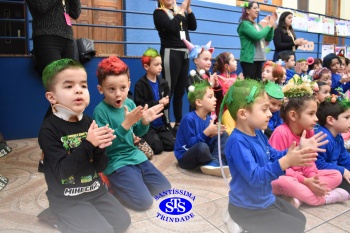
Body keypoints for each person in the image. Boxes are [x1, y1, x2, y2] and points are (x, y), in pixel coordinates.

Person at [221, 79, 327, 233]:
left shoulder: (258, 133)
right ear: (243, 113)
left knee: (301, 220)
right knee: (294, 227)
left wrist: (295, 151)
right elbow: (255, 177)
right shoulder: (237, 143)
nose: (270, 114)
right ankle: (234, 216)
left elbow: (272, 155)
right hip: (247, 207)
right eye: (264, 109)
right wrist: (285, 161)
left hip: (264, 200)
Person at [38, 59, 131, 233]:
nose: (78, 90)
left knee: (122, 222)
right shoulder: (48, 129)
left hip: (95, 191)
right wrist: (89, 143)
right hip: (66, 198)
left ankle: (86, 216)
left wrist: (101, 147)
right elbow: (62, 171)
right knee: (103, 230)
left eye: (83, 85)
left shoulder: (89, 121)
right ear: (52, 97)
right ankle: (58, 218)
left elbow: (100, 166)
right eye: (68, 86)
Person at [93, 56, 171, 211]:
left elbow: (138, 132)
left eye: (123, 88)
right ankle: (113, 186)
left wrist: (144, 122)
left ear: (129, 85)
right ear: (101, 89)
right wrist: (125, 125)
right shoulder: (100, 112)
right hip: (116, 162)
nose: (118, 94)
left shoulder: (129, 103)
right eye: (111, 89)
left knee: (165, 190)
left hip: (136, 156)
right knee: (144, 203)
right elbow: (106, 147)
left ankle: (135, 182)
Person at [269, 77, 348, 207]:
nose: (316, 118)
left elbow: (310, 162)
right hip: (287, 176)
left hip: (303, 177)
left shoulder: (309, 131)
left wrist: (313, 178)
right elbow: (278, 167)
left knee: (336, 175)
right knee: (283, 182)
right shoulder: (281, 133)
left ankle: (299, 198)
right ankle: (326, 198)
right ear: (293, 115)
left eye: (315, 113)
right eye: (311, 114)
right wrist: (305, 181)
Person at [153, 0, 197, 134]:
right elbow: (171, 27)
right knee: (168, 90)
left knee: (180, 91)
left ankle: (178, 122)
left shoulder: (178, 11)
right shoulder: (159, 13)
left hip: (184, 53)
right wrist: (181, 11)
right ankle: (166, 122)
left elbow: (193, 26)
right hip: (170, 52)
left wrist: (188, 10)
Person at [174, 81, 230, 177]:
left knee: (223, 135)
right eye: (210, 97)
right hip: (186, 157)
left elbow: (207, 140)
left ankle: (215, 162)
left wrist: (212, 134)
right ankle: (213, 162)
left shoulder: (208, 118)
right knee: (202, 147)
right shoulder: (189, 119)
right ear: (199, 102)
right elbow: (191, 144)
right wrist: (207, 132)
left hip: (202, 152)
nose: (215, 99)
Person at [134, 48, 175, 154]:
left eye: (160, 64)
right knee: (157, 148)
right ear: (146, 66)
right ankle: (149, 139)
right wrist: (158, 102)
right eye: (156, 65)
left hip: (161, 123)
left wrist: (166, 102)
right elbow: (140, 106)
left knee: (172, 145)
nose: (160, 67)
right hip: (148, 125)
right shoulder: (140, 84)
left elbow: (166, 105)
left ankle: (158, 138)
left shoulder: (163, 83)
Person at [26, 0, 81, 76]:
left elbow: (75, 13)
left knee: (71, 78)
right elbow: (41, 6)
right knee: (54, 79)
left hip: (68, 38)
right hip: (46, 38)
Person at [316, 98, 350, 193]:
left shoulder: (338, 135)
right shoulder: (322, 138)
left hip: (336, 170)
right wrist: (342, 170)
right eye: (347, 118)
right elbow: (318, 164)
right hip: (325, 175)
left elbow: (344, 157)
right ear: (330, 120)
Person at [237, 1, 276, 80]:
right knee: (250, 85)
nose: (257, 10)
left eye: (258, 8)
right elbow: (257, 36)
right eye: (255, 8)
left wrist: (271, 26)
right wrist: (269, 25)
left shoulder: (257, 25)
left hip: (259, 58)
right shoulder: (244, 24)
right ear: (248, 10)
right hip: (249, 60)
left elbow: (268, 38)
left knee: (257, 85)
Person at [184, 39, 222, 118]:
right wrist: (210, 84)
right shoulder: (192, 77)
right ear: (196, 61)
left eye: (210, 60)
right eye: (206, 59)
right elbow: (194, 97)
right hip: (198, 115)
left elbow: (219, 96)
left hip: (211, 114)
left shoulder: (209, 75)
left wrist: (217, 86)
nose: (209, 62)